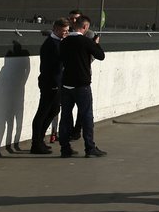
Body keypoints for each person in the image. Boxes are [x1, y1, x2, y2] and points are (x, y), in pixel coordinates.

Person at [58, 15, 106, 157]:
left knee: (65, 116)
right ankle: (89, 147)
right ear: (84, 27)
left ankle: (65, 148)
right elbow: (101, 55)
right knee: (86, 116)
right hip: (82, 84)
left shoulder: (64, 42)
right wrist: (96, 43)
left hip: (66, 83)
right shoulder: (85, 41)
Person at [30, 18, 69, 154]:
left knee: (53, 110)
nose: (66, 33)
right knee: (43, 112)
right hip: (50, 83)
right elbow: (52, 66)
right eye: (64, 31)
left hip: (55, 82)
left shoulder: (57, 42)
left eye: (67, 30)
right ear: (57, 29)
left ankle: (39, 140)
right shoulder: (51, 44)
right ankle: (36, 143)